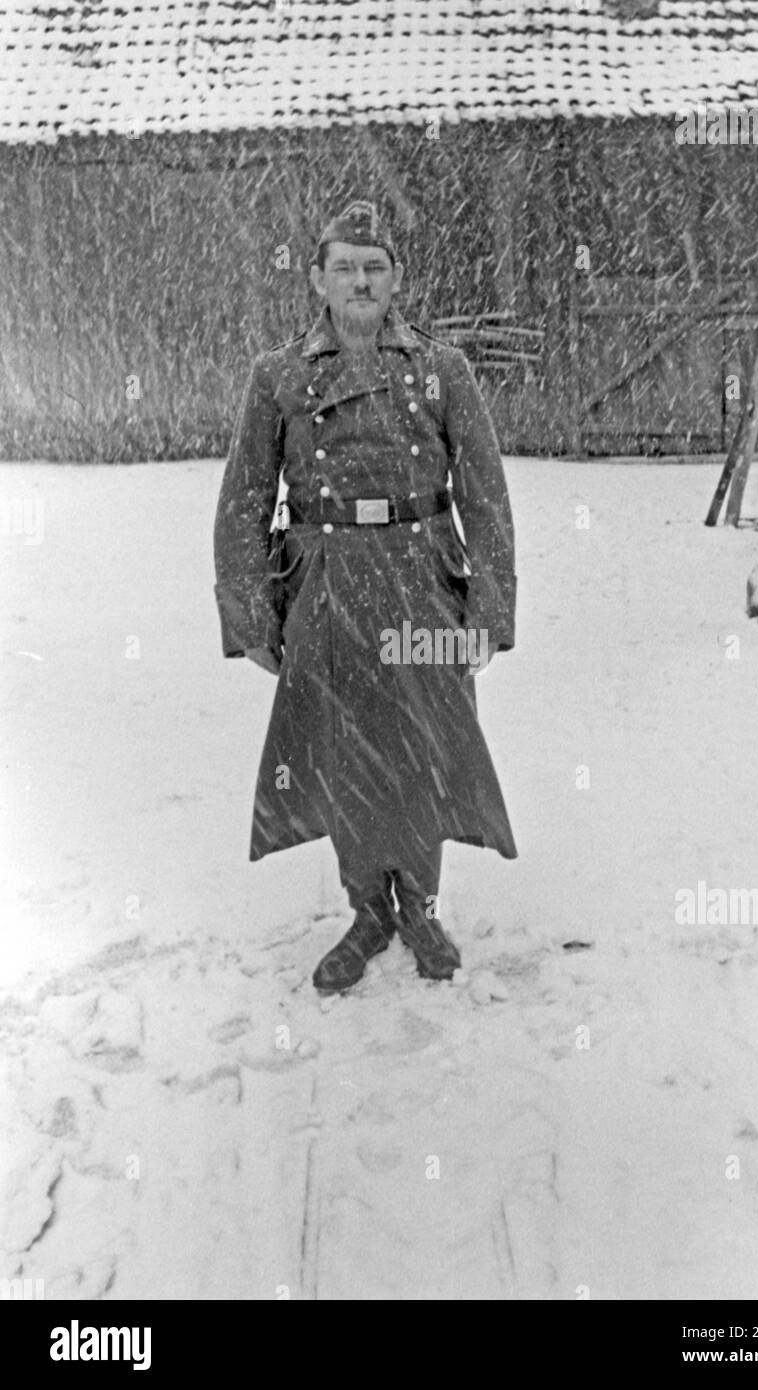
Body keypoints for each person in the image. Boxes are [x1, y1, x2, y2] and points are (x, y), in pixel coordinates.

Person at [213, 199, 517, 993]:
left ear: (396, 278)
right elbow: (245, 499)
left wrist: (488, 610)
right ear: (316, 277)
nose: (359, 280)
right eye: (344, 265)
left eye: (374, 266)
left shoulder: (441, 368)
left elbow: (483, 494)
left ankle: (418, 905)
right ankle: (366, 912)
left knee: (422, 744)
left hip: (422, 579)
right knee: (342, 749)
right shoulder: (277, 375)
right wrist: (249, 616)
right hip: (325, 582)